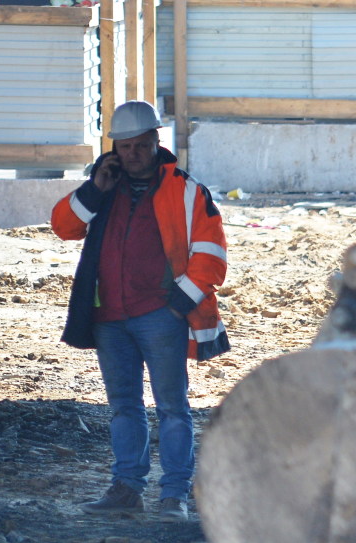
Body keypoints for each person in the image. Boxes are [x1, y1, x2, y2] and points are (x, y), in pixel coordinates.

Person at [51, 100, 228, 521]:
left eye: (140, 146)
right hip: (109, 318)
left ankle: (173, 495)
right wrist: (95, 187)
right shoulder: (103, 188)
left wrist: (178, 305)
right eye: (124, 147)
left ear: (156, 142)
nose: (132, 155)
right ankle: (127, 488)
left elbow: (211, 252)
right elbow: (63, 227)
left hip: (159, 317)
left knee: (172, 407)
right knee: (124, 406)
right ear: (115, 147)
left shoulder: (185, 190)